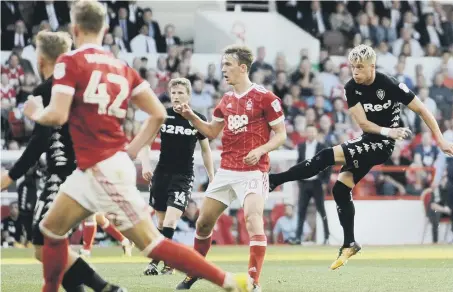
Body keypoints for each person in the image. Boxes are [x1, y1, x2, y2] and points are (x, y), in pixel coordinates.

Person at [22, 2, 250, 292]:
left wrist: (33, 113)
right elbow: (156, 113)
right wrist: (130, 151)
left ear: (74, 29)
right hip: (94, 168)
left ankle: (228, 281)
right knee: (49, 232)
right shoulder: (121, 67)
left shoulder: (70, 61)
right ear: (105, 30)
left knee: (152, 244)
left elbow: (57, 114)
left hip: (101, 168)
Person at [268, 44, 453, 270]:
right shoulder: (351, 87)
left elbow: (423, 110)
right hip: (371, 139)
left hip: (382, 145)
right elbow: (363, 123)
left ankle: (274, 180)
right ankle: (349, 243)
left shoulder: (390, 84)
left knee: (326, 155)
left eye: (359, 67)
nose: (355, 71)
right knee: (340, 189)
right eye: (353, 66)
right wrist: (389, 130)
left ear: (372, 67)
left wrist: (441, 140)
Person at [1, 30, 123, 292]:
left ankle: (107, 289)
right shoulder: (75, 85)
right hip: (77, 171)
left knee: (43, 244)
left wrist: (10, 176)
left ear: (41, 58)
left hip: (65, 174)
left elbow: (39, 141)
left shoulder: (49, 89)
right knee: (48, 248)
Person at [174, 45, 287, 292]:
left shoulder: (265, 97)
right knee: (203, 223)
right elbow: (212, 132)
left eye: (227, 65)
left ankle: (253, 281)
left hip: (254, 171)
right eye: (222, 64)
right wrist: (191, 115)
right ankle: (195, 271)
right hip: (227, 170)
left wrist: (260, 150)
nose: (223, 69)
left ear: (242, 68)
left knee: (252, 219)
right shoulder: (225, 100)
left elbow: (281, 135)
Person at [140, 77, 214, 276]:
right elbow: (145, 142)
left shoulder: (196, 118)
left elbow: (206, 151)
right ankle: (166, 262)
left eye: (181, 93)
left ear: (188, 96)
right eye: (173, 93)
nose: (176, 96)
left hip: (183, 176)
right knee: (162, 224)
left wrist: (212, 177)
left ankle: (158, 263)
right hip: (161, 175)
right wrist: (145, 164)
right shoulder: (162, 115)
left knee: (171, 222)